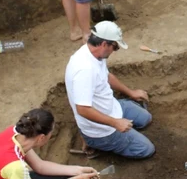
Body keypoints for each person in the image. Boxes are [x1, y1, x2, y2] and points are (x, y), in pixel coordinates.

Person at [65, 21, 155, 159]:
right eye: (115, 47)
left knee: (145, 118)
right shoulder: (84, 70)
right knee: (146, 149)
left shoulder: (95, 54)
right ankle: (94, 143)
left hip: (112, 107)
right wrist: (116, 123)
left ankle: (124, 131)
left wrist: (131, 92)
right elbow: (82, 109)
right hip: (101, 131)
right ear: (104, 44)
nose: (115, 51)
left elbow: (106, 76)